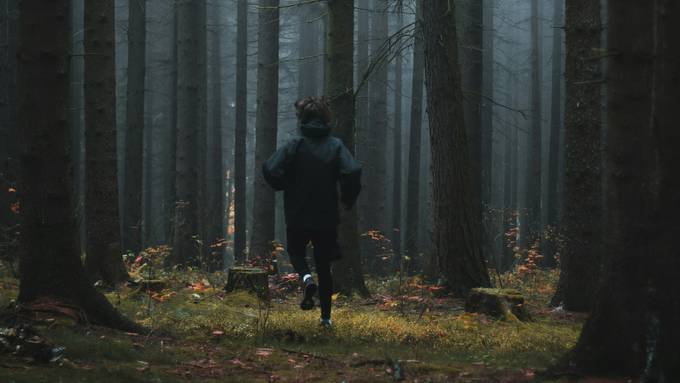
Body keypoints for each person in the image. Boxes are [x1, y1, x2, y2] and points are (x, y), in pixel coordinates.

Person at [262, 96, 362, 328]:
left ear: (303, 119)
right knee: (324, 266)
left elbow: (269, 168)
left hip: (297, 212)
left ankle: (306, 278)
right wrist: (347, 198)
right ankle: (325, 319)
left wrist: (285, 184)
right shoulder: (336, 145)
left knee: (296, 252)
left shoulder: (294, 145)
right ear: (325, 119)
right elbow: (353, 171)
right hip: (326, 215)